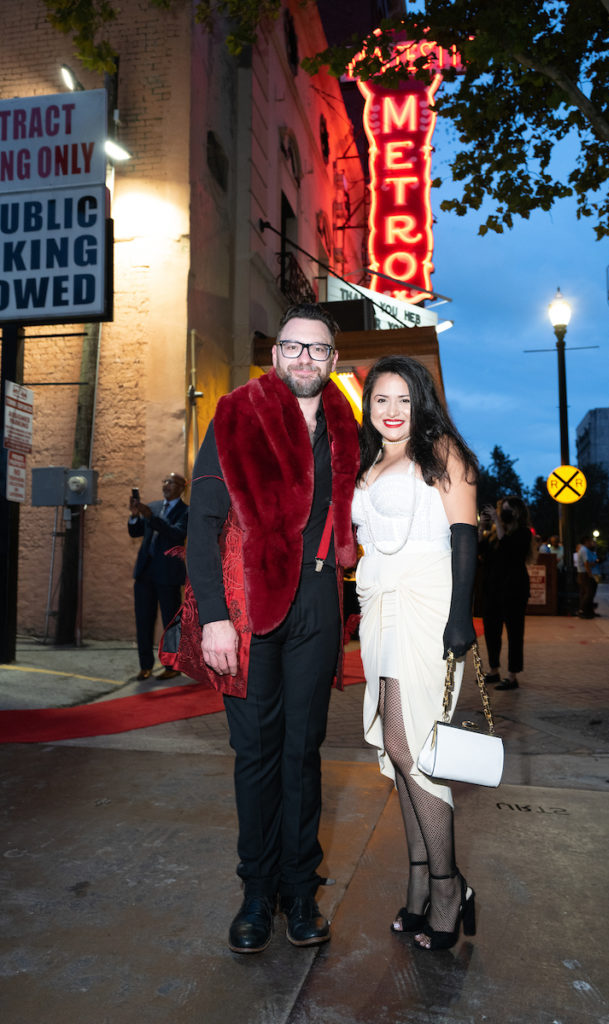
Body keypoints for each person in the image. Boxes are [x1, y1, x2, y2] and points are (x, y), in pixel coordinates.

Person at [185, 303, 359, 955]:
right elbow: (203, 523)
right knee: (256, 753)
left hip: (318, 597)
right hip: (248, 603)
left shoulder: (348, 432)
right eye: (293, 347)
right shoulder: (234, 414)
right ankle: (257, 893)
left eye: (317, 350)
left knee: (302, 751)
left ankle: (300, 890)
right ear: (275, 354)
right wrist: (215, 616)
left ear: (333, 362)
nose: (305, 359)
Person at [351, 355, 479, 952]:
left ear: (420, 401)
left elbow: (463, 536)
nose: (392, 411)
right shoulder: (371, 460)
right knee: (396, 748)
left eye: (404, 399)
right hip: (378, 611)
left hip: (427, 608)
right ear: (368, 404)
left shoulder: (443, 451)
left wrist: (460, 620)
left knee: (412, 745)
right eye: (381, 399)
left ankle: (449, 889)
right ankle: (419, 886)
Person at [128, 472, 188, 681]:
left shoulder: (186, 511)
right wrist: (135, 515)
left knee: (170, 622)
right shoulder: (152, 507)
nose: (166, 485)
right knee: (143, 620)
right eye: (164, 481)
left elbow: (176, 534)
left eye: (171, 482)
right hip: (145, 573)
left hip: (168, 575)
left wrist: (151, 518)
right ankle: (145, 666)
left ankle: (172, 666)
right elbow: (135, 533)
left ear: (182, 487)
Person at [479, 496, 534, 690]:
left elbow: (509, 548)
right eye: (501, 509)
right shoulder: (494, 533)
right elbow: (480, 550)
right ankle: (494, 670)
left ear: (517, 512)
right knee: (491, 631)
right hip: (493, 588)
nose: (502, 513)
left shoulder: (524, 533)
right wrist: (482, 527)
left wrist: (496, 521)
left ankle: (512, 675)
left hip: (514, 588)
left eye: (507, 510)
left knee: (514, 632)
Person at [576, 535, 599, 618]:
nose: (591, 543)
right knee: (588, 593)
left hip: (584, 573)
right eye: (590, 541)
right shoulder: (584, 550)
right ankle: (582, 610)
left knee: (587, 593)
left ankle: (588, 611)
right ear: (586, 542)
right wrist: (590, 575)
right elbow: (587, 563)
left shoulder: (585, 550)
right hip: (584, 574)